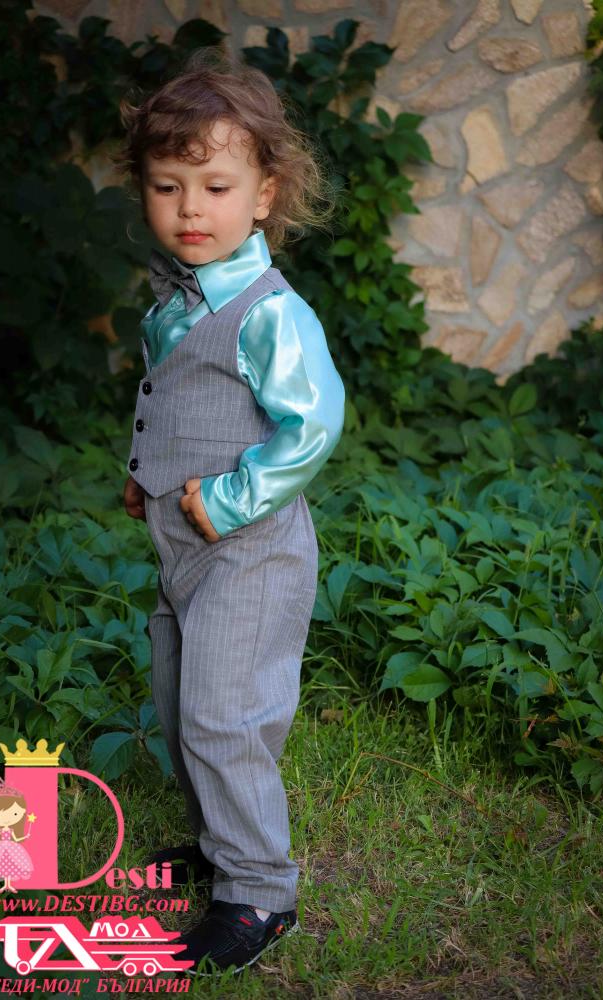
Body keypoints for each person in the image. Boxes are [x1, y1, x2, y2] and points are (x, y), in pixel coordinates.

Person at [115, 48, 345, 975]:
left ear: (264, 194)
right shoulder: (174, 303)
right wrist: (145, 475)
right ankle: (219, 844)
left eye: (215, 187)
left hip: (249, 553)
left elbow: (312, 422)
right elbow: (174, 400)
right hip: (181, 548)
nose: (190, 209)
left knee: (224, 713)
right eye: (167, 187)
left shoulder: (268, 311)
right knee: (181, 702)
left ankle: (258, 892)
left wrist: (233, 496)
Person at [0, 778, 34, 895]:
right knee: (4, 865)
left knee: (11, 865)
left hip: (11, 847)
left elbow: (16, 838)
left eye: (15, 813)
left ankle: (8, 885)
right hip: (1, 847)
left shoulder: (11, 829)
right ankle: (6, 885)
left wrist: (25, 836)